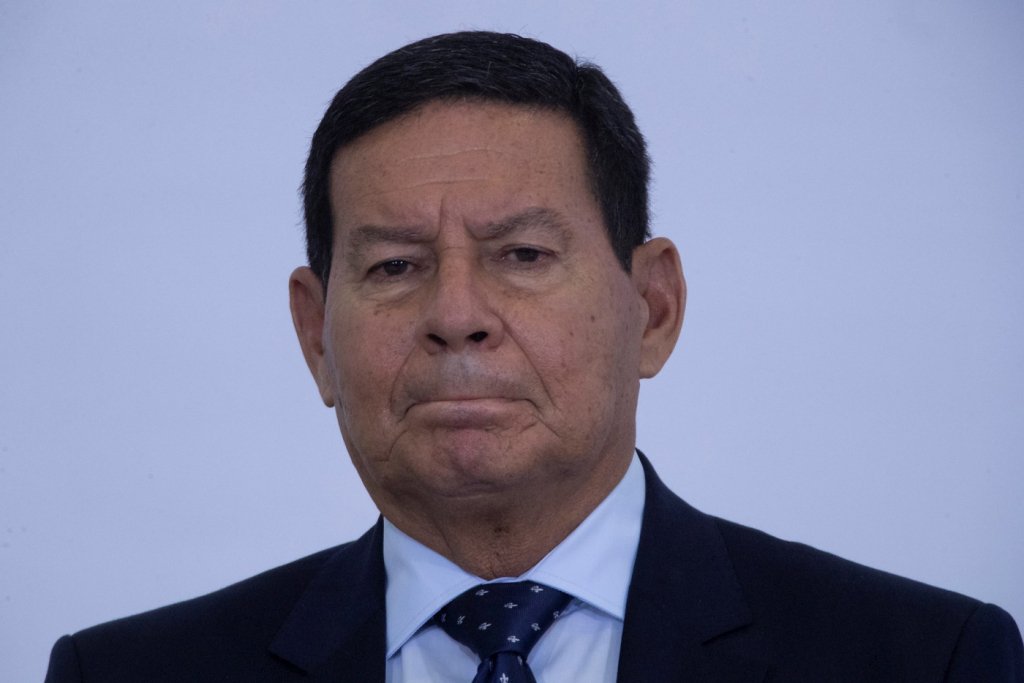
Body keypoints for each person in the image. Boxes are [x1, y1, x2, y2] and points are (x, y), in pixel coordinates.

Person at [45, 31, 1022, 683]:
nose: (456, 315)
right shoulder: (128, 673)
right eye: (395, 265)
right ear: (316, 337)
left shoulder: (926, 658)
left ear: (653, 307)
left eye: (522, 255)